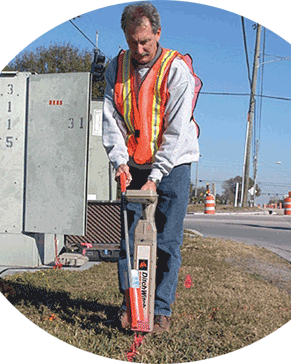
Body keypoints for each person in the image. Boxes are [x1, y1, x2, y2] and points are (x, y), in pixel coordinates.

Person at [102, 1, 200, 333]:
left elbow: (175, 130)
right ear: (125, 36)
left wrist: (156, 177)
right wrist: (120, 162)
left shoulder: (176, 70)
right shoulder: (115, 67)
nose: (140, 49)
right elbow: (111, 120)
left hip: (174, 164)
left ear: (157, 33)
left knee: (168, 240)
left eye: (146, 41)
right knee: (129, 241)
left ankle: (160, 310)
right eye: (133, 42)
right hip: (133, 163)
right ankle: (131, 305)